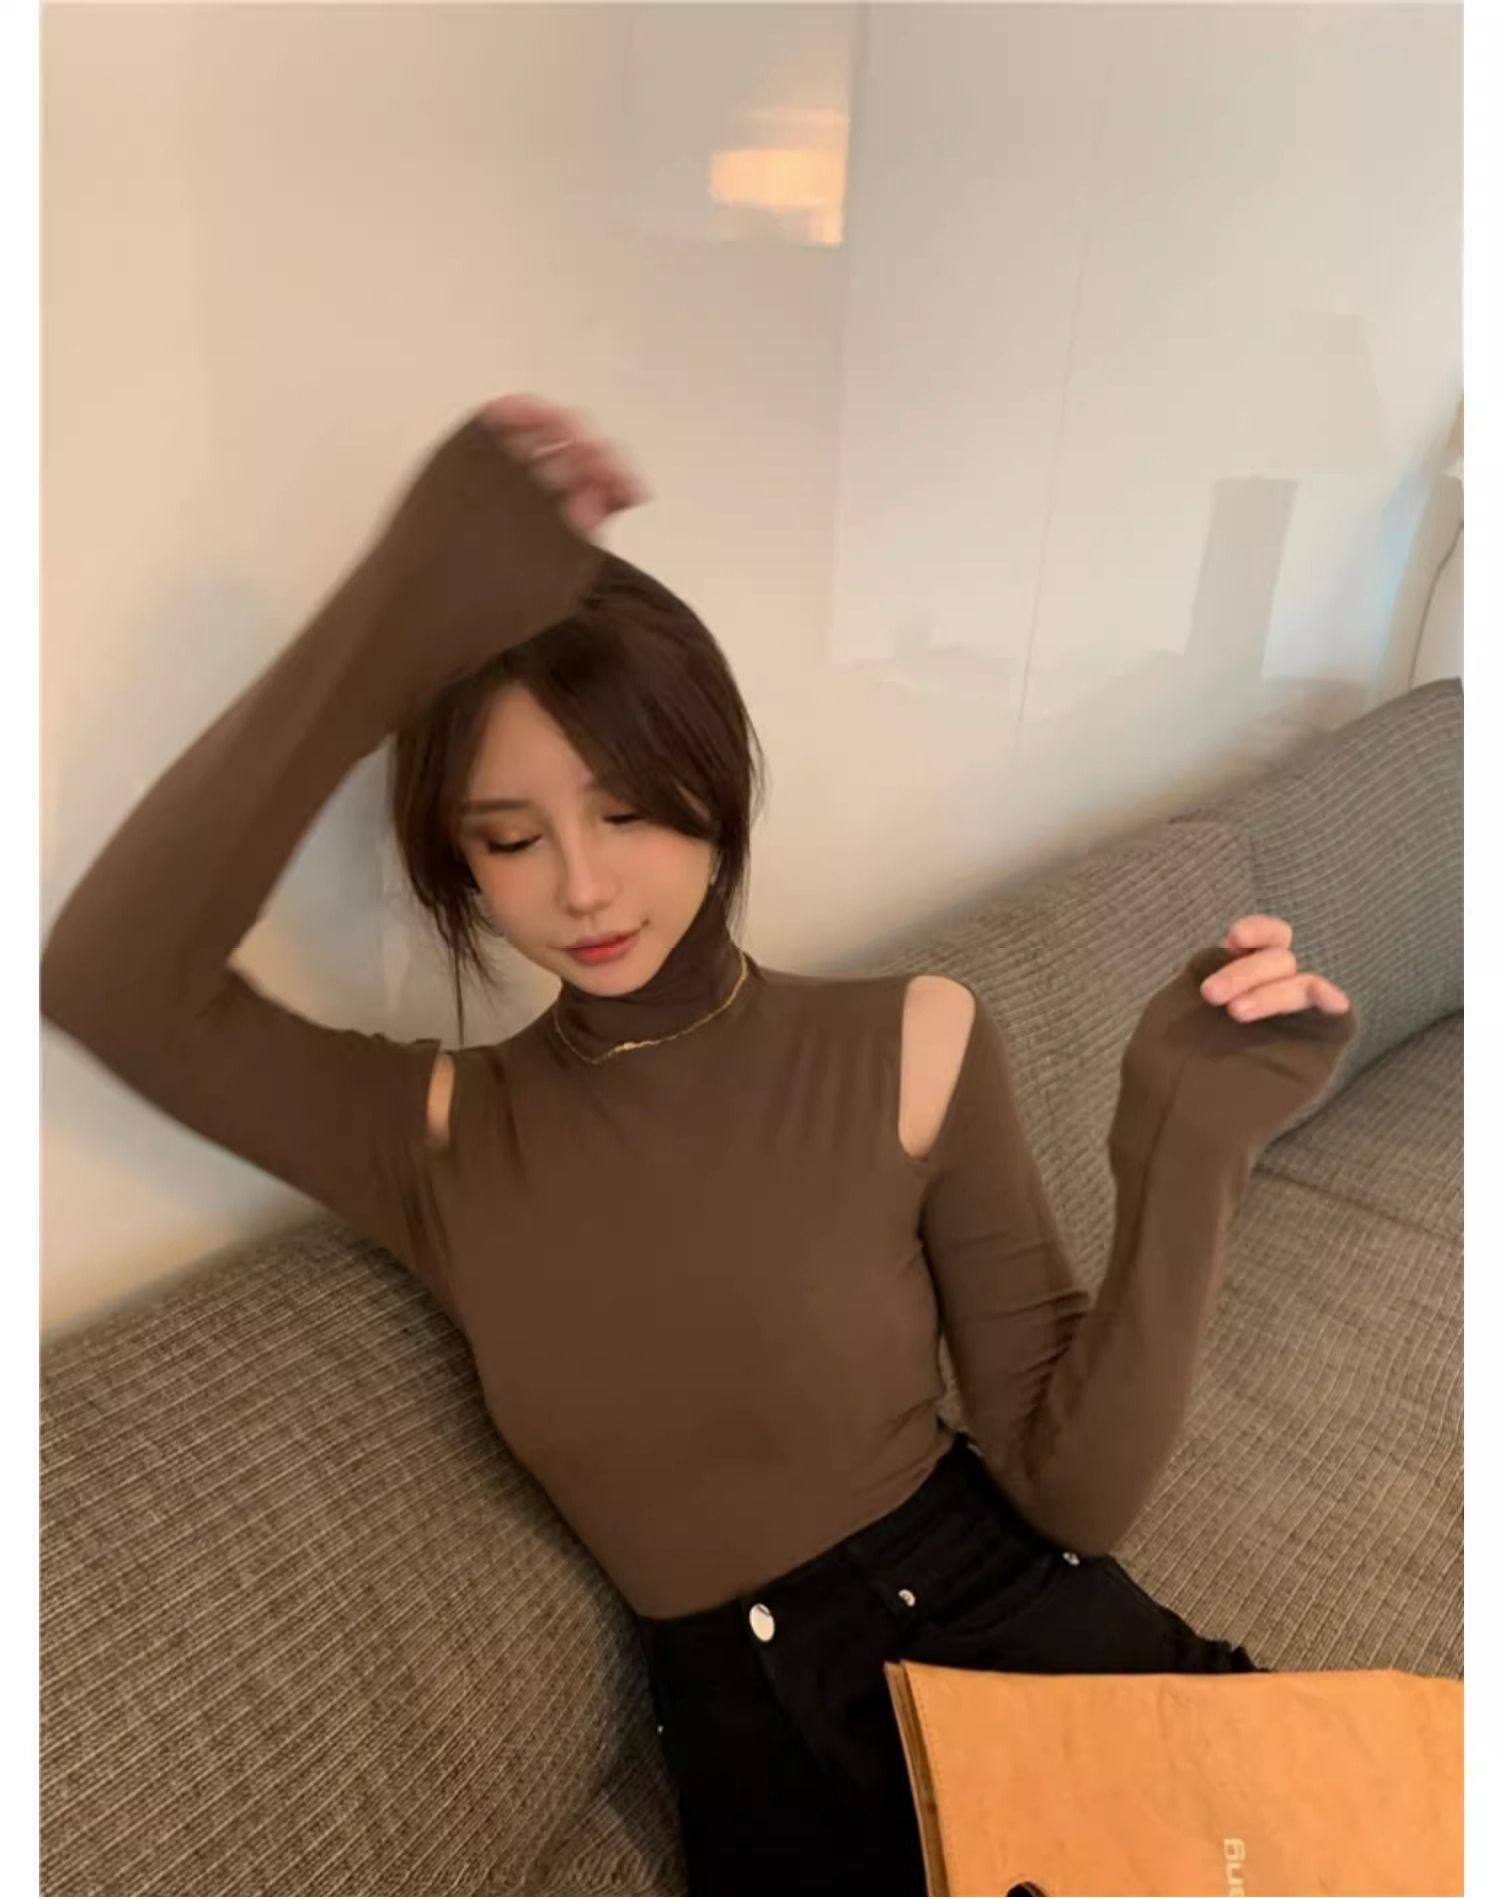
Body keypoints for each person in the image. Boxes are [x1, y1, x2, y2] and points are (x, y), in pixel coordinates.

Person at [40, 395, 1358, 1898]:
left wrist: (1185, 1152)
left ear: (713, 788)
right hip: (767, 1774)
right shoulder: (439, 1138)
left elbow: (1074, 1496)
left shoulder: (914, 1040)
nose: (585, 887)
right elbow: (108, 982)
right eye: (511, 837)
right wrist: (399, 616)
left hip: (1034, 1655)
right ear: (458, 856)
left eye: (629, 812)